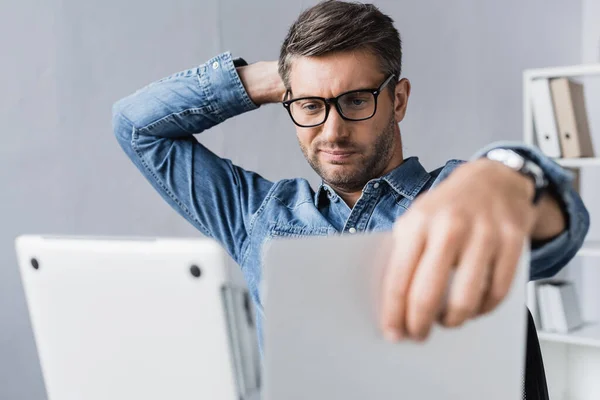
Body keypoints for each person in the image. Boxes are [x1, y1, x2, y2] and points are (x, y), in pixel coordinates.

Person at [112, 0, 589, 347]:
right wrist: (268, 79)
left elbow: (560, 234)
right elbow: (138, 127)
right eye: (311, 105)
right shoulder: (256, 216)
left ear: (397, 100)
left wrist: (505, 176)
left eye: (356, 100)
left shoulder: (458, 197)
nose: (332, 130)